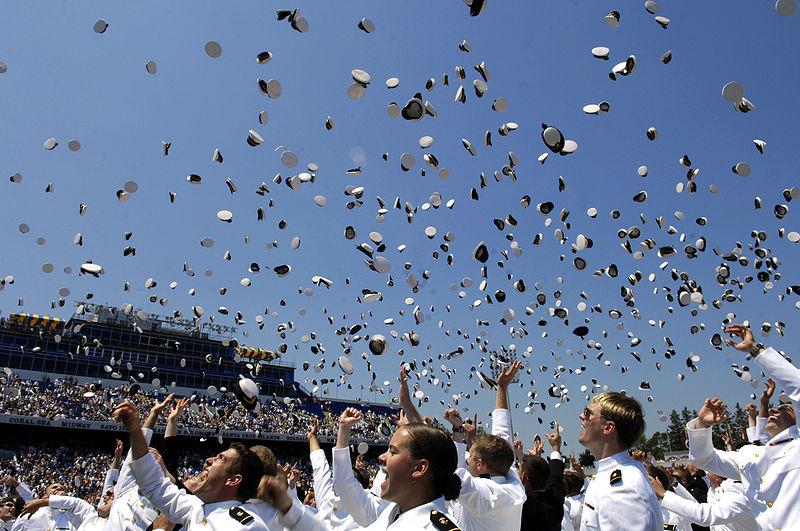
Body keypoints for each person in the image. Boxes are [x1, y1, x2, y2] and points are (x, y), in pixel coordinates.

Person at [683, 323, 800, 530]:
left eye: (785, 409)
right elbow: (704, 459)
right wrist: (702, 426)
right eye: (775, 408)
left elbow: (797, 388)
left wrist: (756, 350)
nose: (774, 410)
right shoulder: (750, 455)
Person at [266, 411, 462, 530]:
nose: (381, 457)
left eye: (392, 452)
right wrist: (288, 507)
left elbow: (343, 483)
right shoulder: (391, 515)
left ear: (419, 468)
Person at [112, 401, 268, 530]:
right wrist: (135, 430)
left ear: (233, 480)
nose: (209, 460)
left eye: (221, 458)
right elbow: (155, 484)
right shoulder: (196, 508)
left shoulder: (248, 527)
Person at [445, 360, 526, 531]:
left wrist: (457, 430)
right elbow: (502, 434)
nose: (467, 461)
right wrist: (502, 389)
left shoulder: (483, 495)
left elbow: (449, 472)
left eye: (471, 456)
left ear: (480, 464)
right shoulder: (513, 484)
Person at [577, 392, 661, 530]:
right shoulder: (610, 474)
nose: (581, 416)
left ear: (608, 428)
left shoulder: (622, 486)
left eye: (588, 413)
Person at [650, 471, 757, 531]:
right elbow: (695, 505)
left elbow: (703, 515)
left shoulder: (737, 495)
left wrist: (664, 494)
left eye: (709, 471)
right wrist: (675, 484)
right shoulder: (714, 491)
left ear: (718, 477)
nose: (706, 474)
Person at [519, 424, 565, 531]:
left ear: (524, 477)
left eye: (519, 472)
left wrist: (556, 447)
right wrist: (556, 447)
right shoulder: (555, 498)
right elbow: (556, 476)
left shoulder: (523, 505)